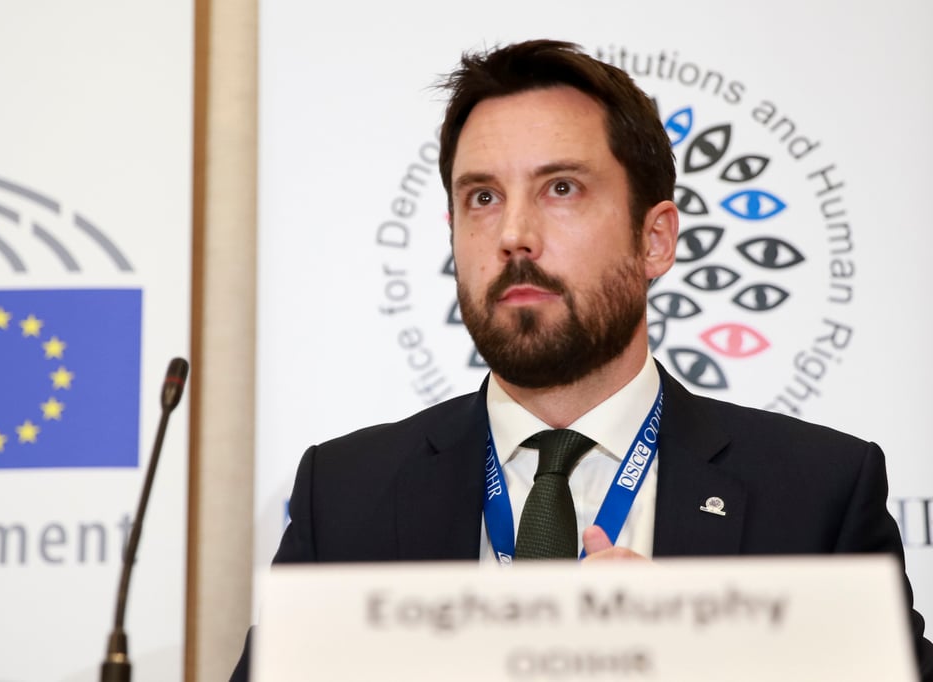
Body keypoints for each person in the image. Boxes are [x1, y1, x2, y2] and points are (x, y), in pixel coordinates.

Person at [230, 39, 933, 680]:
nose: (513, 234)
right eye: (482, 197)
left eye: (560, 189)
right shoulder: (346, 496)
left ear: (655, 239)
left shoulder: (817, 496)